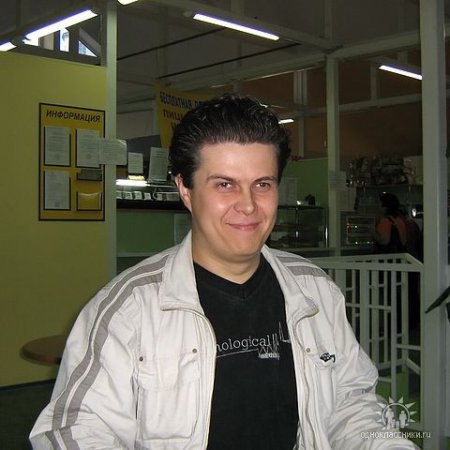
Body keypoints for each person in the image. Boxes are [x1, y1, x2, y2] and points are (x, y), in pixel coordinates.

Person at [30, 94, 417, 449]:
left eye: (262, 184)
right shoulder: (128, 310)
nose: (248, 205)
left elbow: (352, 403)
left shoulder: (316, 293)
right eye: (225, 185)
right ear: (185, 190)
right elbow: (74, 431)